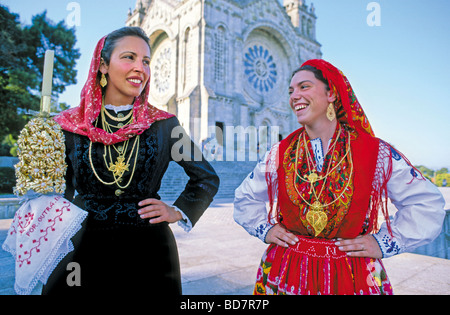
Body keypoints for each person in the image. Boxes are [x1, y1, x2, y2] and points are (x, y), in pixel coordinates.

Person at [234, 59, 445, 295]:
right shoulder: (279, 153)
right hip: (286, 271)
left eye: (304, 87)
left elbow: (426, 204)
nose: (294, 96)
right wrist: (265, 229)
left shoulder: (373, 152)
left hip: (350, 274)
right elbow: (245, 198)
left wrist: (382, 242)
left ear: (332, 93)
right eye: (291, 90)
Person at [42, 27, 220, 295]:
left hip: (149, 250)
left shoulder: (165, 124)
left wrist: (178, 210)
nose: (140, 68)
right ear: (102, 65)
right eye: (129, 57)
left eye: (146, 61)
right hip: (81, 248)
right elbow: (60, 193)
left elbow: (205, 176)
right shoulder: (70, 125)